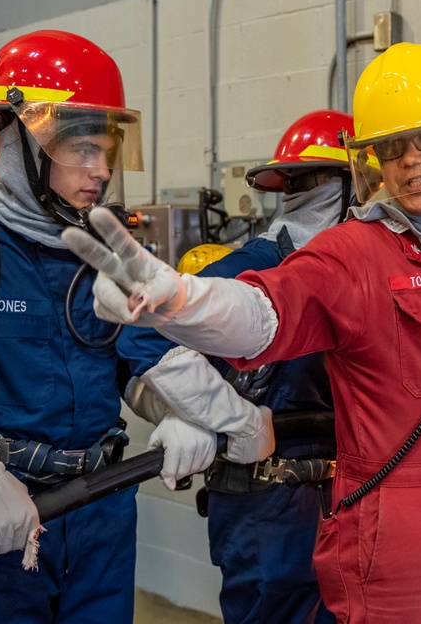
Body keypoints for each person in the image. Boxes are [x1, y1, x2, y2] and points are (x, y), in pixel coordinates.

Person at [64, 42, 421, 623]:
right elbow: (265, 311)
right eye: (391, 147)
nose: (411, 161)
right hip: (396, 545)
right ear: (372, 165)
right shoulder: (354, 251)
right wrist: (183, 300)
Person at [0, 30, 144, 623]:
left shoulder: (113, 258)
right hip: (0, 519)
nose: (100, 171)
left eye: (108, 151)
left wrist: (196, 414)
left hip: (103, 512)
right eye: (82, 150)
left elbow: (145, 362)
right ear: (25, 142)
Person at [117, 109, 356, 624]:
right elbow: (139, 328)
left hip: (347, 496)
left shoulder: (362, 272)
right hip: (270, 505)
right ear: (353, 188)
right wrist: (223, 416)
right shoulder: (259, 267)